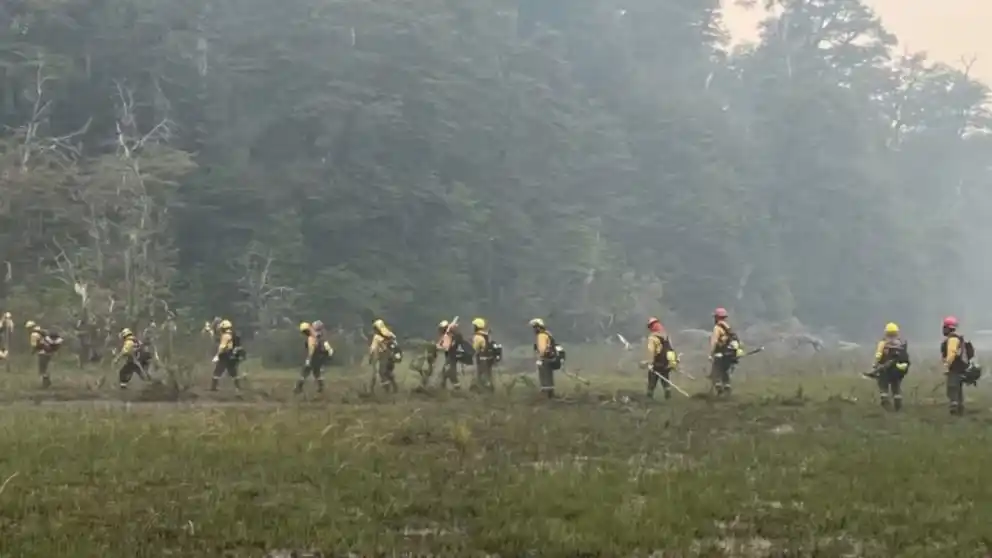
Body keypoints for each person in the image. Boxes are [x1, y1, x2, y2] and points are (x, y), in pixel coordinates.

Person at [871, 322, 910, 411]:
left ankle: (885, 403)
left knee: (883, 386)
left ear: (886, 332)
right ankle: (898, 405)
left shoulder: (883, 343)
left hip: (884, 370)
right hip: (897, 370)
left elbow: (878, 355)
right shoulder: (901, 344)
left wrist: (875, 365)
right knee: (896, 387)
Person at [941, 316, 972, 416]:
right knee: (958, 389)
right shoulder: (958, 338)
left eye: (944, 327)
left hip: (955, 368)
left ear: (948, 328)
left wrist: (947, 364)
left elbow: (952, 353)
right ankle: (960, 408)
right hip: (962, 367)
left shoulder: (952, 339)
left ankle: (954, 409)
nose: (943, 329)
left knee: (952, 388)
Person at [708, 307, 743, 395]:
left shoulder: (717, 328)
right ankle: (727, 388)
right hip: (730, 354)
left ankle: (719, 388)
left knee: (716, 371)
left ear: (717, 317)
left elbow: (714, 341)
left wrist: (711, 353)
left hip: (720, 353)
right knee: (725, 372)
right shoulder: (728, 328)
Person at [643, 317, 679, 400]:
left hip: (657, 362)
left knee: (652, 380)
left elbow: (651, 351)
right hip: (666, 363)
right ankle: (668, 398)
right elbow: (671, 348)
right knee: (665, 381)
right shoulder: (666, 335)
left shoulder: (652, 338)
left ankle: (649, 397)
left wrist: (650, 363)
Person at [295, 321, 333, 394]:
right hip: (319, 357)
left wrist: (308, 359)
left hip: (314, 357)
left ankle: (299, 387)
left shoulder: (311, 338)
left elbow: (311, 349)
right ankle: (321, 387)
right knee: (316, 372)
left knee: (305, 372)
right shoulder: (319, 335)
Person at [26, 320, 61, 388]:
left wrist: (32, 352)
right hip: (49, 352)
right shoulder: (42, 331)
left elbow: (35, 346)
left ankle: (46, 383)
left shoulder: (33, 334)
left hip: (42, 353)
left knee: (42, 369)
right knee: (46, 367)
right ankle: (47, 381)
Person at [529, 318, 559, 398]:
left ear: (538, 327)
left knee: (544, 376)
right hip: (551, 358)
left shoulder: (541, 336)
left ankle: (546, 395)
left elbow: (542, 349)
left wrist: (540, 359)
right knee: (549, 377)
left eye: (534, 327)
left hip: (545, 359)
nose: (534, 330)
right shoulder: (547, 334)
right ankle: (551, 394)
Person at [368, 319, 399, 393]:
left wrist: (371, 357)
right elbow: (396, 344)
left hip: (384, 356)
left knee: (382, 372)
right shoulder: (390, 334)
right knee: (388, 372)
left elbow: (373, 348)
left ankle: (387, 390)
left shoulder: (377, 337)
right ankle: (395, 387)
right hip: (391, 357)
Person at [210, 319, 242, 391]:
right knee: (233, 372)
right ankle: (238, 387)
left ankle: (213, 387)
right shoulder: (233, 334)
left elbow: (222, 347)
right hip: (231, 355)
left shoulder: (225, 336)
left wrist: (217, 355)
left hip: (225, 355)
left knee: (217, 371)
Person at [471, 318, 496, 392]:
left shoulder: (477, 337)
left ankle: (488, 389)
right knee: (488, 375)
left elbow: (474, 349)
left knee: (482, 376)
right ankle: (485, 389)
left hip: (482, 359)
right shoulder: (486, 335)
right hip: (489, 359)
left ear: (476, 326)